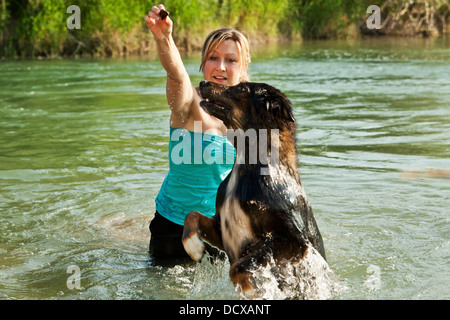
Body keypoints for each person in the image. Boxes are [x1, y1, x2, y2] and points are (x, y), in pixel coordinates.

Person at [144, 4, 251, 262]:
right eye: (213, 58)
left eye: (231, 60)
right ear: (203, 64)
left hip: (224, 229)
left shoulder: (251, 116)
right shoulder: (189, 105)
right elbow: (177, 76)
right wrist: (165, 39)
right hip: (173, 228)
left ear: (243, 66)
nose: (221, 67)